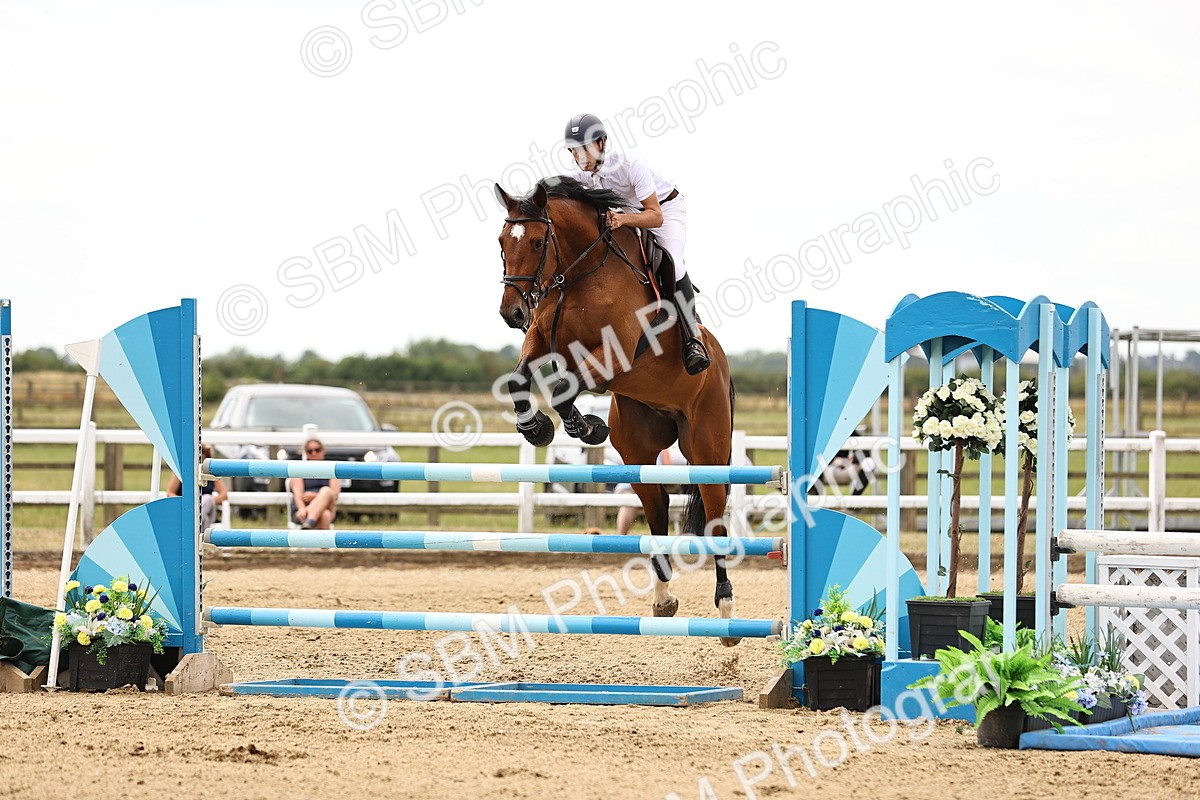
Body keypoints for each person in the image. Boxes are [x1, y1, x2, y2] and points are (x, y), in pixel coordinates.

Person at [563, 112, 710, 375]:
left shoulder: (630, 165)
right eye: (574, 150)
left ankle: (691, 339)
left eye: (584, 148)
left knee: (672, 262)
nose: (580, 157)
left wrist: (623, 220)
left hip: (664, 209)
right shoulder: (579, 174)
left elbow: (655, 216)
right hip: (626, 213)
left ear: (601, 143)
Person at [615, 445, 687, 535]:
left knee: (662, 502)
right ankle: (621, 537)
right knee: (629, 504)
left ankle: (672, 537)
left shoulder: (662, 447)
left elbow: (668, 466)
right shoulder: (630, 443)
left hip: (655, 486)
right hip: (630, 487)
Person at [167, 442, 228, 530]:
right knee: (204, 519)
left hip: (205, 509)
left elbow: (224, 494)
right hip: (186, 508)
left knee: (207, 498)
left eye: (202, 457)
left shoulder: (212, 473)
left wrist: (204, 502)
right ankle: (199, 531)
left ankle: (194, 519)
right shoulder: (181, 472)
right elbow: (170, 493)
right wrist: (185, 502)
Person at [290, 438, 339, 530]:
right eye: (310, 451)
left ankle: (309, 522)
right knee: (325, 515)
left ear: (323, 451)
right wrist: (302, 509)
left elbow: (335, 495)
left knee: (326, 491)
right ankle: (322, 542)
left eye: (317, 450)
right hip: (303, 509)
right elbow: (298, 495)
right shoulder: (299, 469)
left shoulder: (331, 469)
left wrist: (315, 496)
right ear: (306, 453)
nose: (314, 453)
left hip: (326, 505)